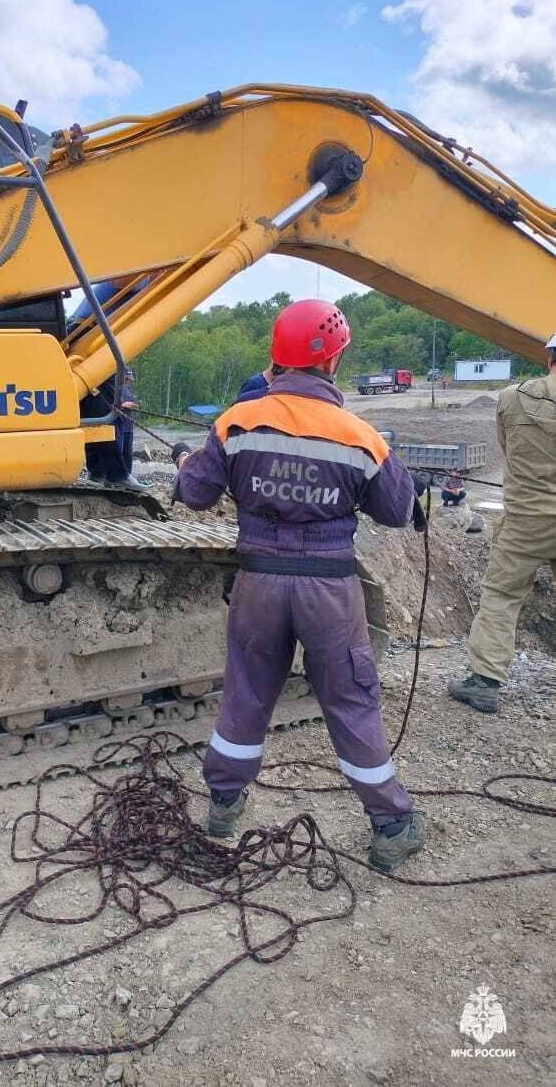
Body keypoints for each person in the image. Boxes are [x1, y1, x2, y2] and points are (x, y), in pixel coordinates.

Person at [170, 298, 428, 872]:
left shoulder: (236, 421)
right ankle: (391, 825)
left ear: (275, 358)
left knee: (247, 693)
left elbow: (194, 493)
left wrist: (190, 460)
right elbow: (396, 510)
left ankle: (222, 809)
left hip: (258, 584)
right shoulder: (358, 434)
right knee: (351, 701)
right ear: (334, 360)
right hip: (329, 590)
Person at [449, 333, 556, 714]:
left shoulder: (513, 398)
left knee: (502, 595)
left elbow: (507, 448)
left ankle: (485, 681)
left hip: (526, 518)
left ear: (549, 358)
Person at [70, 281, 150, 491]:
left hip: (89, 336)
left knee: (98, 407)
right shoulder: (139, 277)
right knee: (117, 408)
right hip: (90, 333)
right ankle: (117, 475)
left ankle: (101, 472)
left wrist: (124, 369)